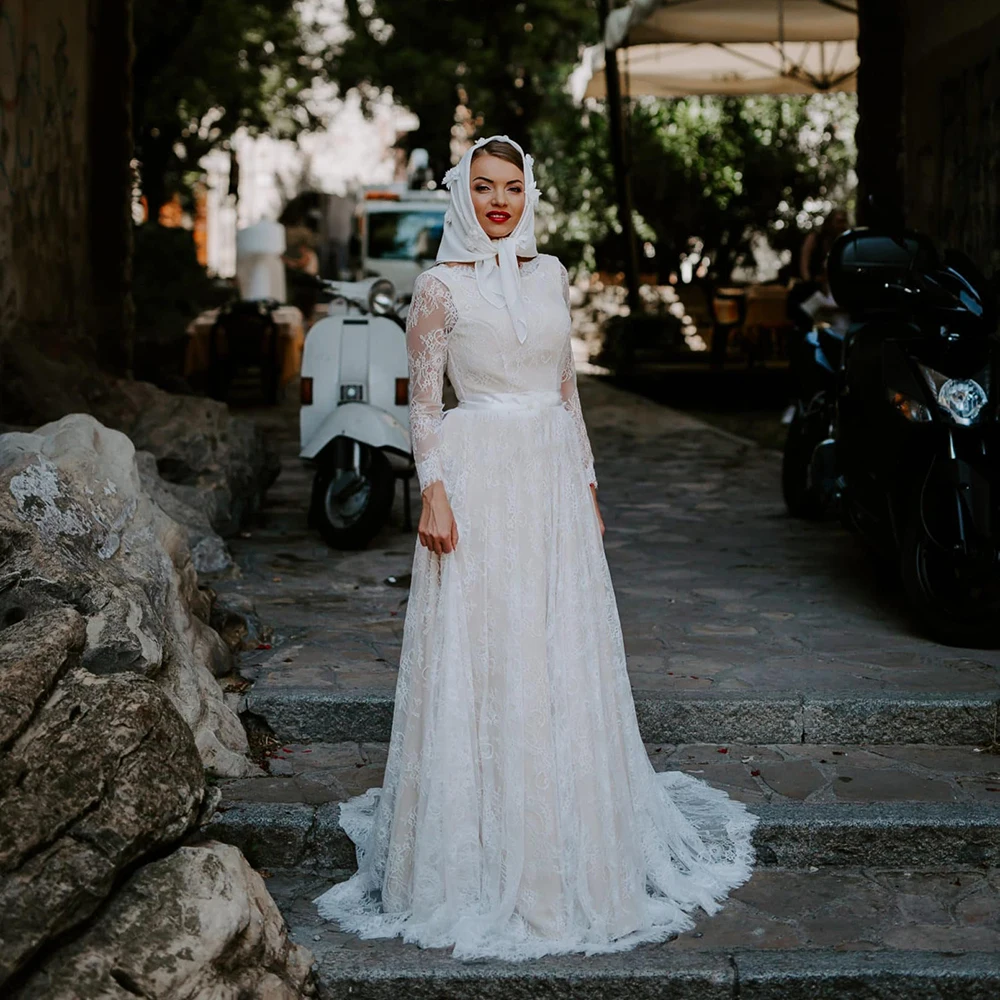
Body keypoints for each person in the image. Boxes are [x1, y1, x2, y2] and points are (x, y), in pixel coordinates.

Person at [312, 135, 759, 961]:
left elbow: (566, 390)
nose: (499, 202)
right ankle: (480, 842)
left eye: (512, 187)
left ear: (529, 194)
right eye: (483, 188)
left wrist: (587, 488)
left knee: (558, 649)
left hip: (551, 479)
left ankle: (567, 832)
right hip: (479, 476)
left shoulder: (552, 275)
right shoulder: (440, 288)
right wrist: (434, 490)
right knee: (489, 648)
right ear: (462, 196)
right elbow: (422, 401)